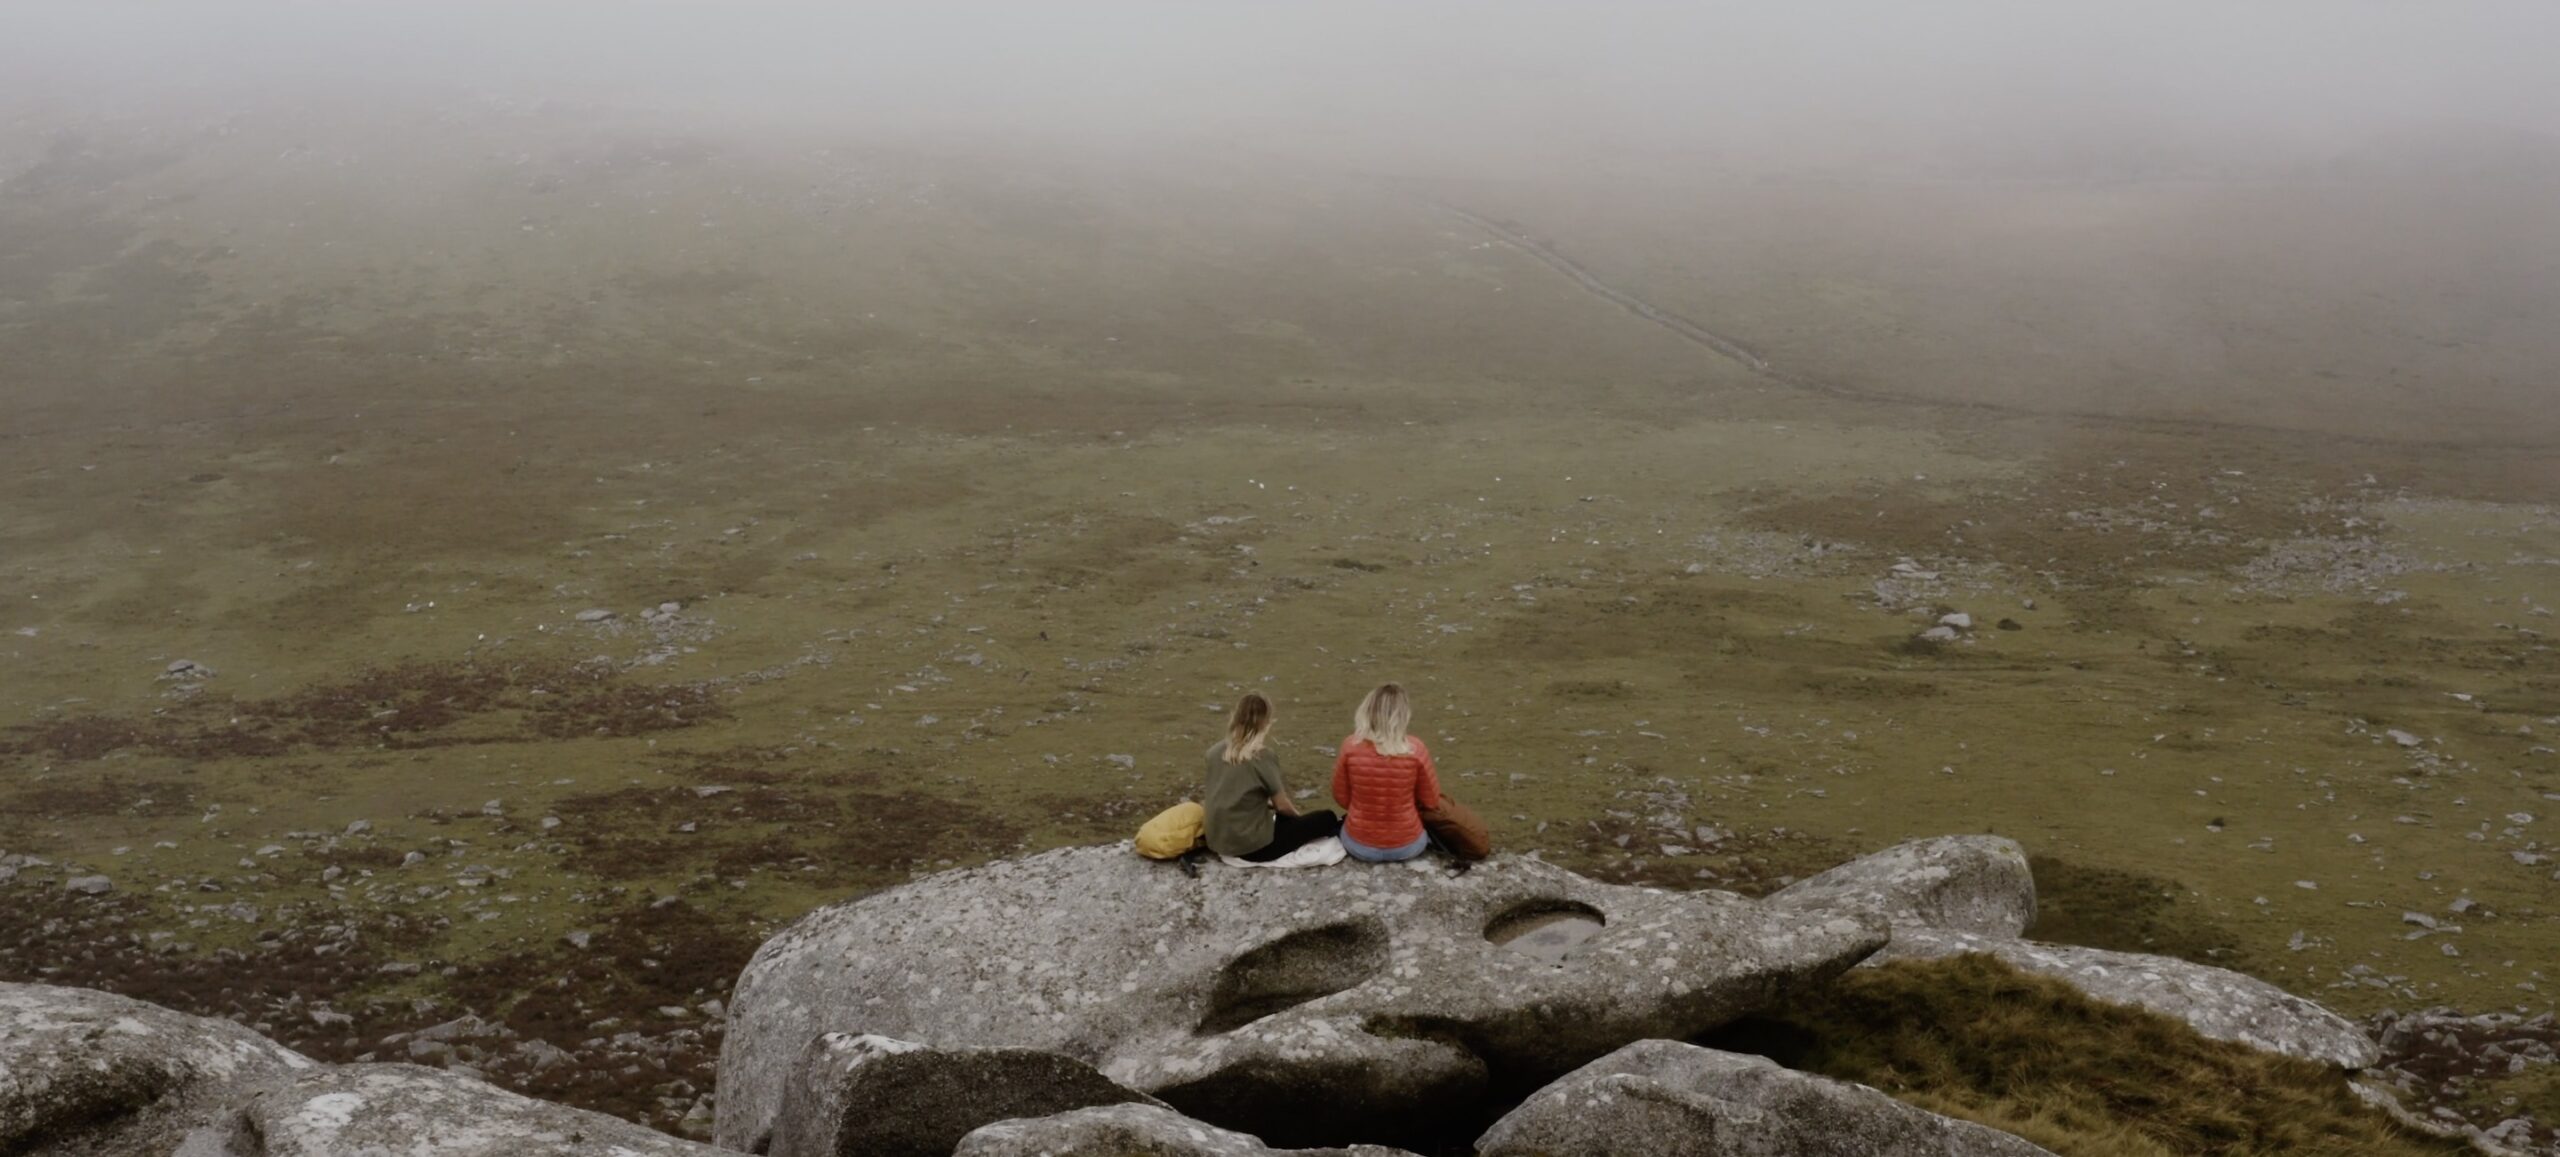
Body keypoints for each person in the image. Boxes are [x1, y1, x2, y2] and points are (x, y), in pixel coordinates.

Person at [1203, 693, 1343, 862]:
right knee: (1326, 818)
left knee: (1281, 819)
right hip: (1252, 848)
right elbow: (1283, 806)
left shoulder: (1213, 753)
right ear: (1266, 723)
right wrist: (1299, 822)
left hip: (1217, 841)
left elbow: (1228, 795)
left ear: (1235, 717)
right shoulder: (1262, 756)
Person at [1331, 682, 1441, 863]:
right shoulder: (1416, 749)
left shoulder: (1350, 746)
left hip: (1359, 845)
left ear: (1367, 710)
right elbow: (1431, 801)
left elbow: (1341, 797)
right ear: (1403, 715)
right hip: (1408, 845)